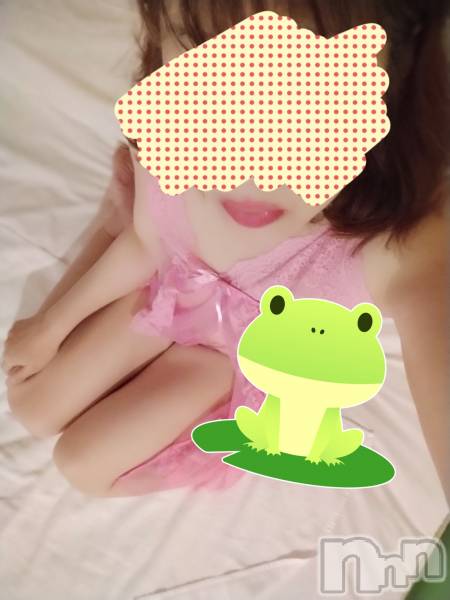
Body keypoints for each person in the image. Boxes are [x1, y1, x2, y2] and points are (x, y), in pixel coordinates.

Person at [2, 0, 449, 500]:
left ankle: (215, 453)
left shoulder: (382, 243)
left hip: (230, 362)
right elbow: (148, 243)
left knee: (82, 466)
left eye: (312, 93)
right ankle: (114, 213)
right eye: (213, 71)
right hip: (172, 298)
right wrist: (51, 326)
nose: (250, 164)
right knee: (30, 407)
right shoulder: (170, 138)